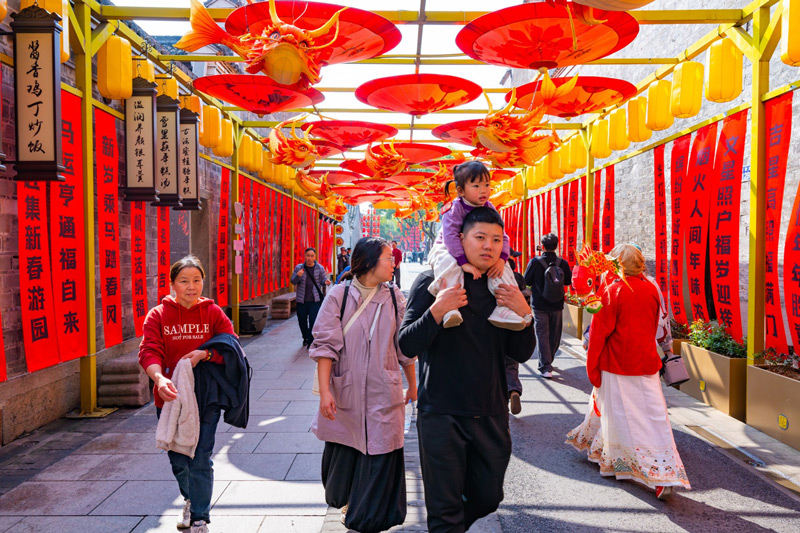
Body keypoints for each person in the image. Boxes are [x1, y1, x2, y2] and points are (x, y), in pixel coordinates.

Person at [400, 207, 536, 533]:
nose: (488, 246)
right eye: (480, 238)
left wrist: (524, 314)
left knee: (488, 496)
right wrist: (437, 310)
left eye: (496, 239)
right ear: (461, 239)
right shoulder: (434, 281)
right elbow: (406, 345)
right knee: (444, 511)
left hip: (490, 411)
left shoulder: (508, 283)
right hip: (441, 413)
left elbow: (521, 352)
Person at [566, 244, 691, 500]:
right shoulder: (652, 289)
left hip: (617, 363)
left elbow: (599, 334)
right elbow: (660, 324)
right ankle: (663, 469)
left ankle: (626, 464)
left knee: (621, 416)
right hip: (646, 363)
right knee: (655, 417)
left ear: (618, 264)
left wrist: (592, 368)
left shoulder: (614, 291)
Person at [310, 237, 417, 532]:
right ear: (370, 262)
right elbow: (325, 347)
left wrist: (412, 384)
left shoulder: (395, 297)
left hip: (385, 390)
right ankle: (348, 503)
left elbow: (403, 347)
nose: (393, 262)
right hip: (347, 390)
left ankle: (367, 517)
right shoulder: (339, 296)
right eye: (387, 258)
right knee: (346, 448)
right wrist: (326, 392)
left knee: (382, 450)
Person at [138, 256, 238, 533]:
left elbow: (232, 346)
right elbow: (149, 351)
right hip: (170, 397)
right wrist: (159, 379)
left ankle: (200, 517)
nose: (191, 286)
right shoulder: (158, 315)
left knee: (201, 456)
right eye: (184, 281)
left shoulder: (212, 312)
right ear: (172, 284)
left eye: (196, 280)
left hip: (207, 397)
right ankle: (190, 498)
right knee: (178, 458)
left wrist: (206, 354)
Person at [427, 161, 529, 330]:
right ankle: (450, 306)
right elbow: (450, 237)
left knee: (503, 270)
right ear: (460, 191)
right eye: (476, 185)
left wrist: (502, 259)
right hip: (446, 245)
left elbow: (502, 236)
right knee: (448, 262)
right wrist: (463, 262)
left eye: (487, 185)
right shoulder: (455, 208)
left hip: (463, 248)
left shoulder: (490, 207)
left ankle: (503, 308)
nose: (484, 190)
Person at [524, 233, 572, 378]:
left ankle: (546, 366)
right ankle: (549, 360)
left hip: (539, 304)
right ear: (557, 246)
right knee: (555, 333)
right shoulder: (562, 263)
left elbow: (527, 280)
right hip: (557, 304)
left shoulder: (535, 262)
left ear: (542, 246)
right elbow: (568, 282)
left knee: (542, 334)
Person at [505, 257, 532, 416]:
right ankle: (513, 389)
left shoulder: (500, 278)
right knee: (512, 364)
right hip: (518, 324)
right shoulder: (519, 278)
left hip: (501, 321)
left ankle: (502, 396)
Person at [291, 247, 331, 347]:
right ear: (304, 256)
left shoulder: (320, 268)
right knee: (302, 321)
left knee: (313, 321)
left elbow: (322, 280)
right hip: (302, 300)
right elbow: (293, 281)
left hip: (315, 300)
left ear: (315, 257)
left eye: (312, 256)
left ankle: (310, 340)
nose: (309, 258)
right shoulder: (299, 268)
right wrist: (298, 276)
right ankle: (305, 337)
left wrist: (325, 282)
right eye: (308, 256)